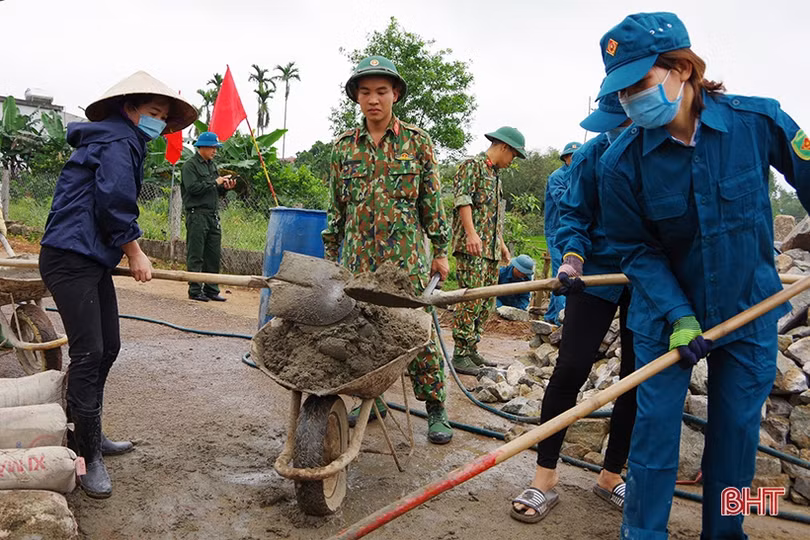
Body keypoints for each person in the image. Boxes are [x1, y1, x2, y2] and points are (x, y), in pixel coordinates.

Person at [597, 12, 810, 538]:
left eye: (639, 83)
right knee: (654, 435)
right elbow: (635, 251)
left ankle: (727, 532)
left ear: (683, 69)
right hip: (666, 319)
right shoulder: (619, 163)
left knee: (738, 437)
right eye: (621, 91)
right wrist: (680, 315)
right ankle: (643, 533)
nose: (630, 100)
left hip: (749, 307)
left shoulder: (758, 121)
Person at [39, 71, 197, 498]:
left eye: (163, 116)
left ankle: (88, 432)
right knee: (89, 353)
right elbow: (113, 203)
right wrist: (135, 252)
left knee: (108, 347)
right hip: (70, 258)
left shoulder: (122, 139)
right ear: (129, 109)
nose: (159, 122)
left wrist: (123, 250)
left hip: (88, 258)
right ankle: (86, 456)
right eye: (153, 112)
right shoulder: (117, 140)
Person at [510, 92, 637, 523]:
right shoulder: (591, 155)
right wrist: (572, 257)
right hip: (596, 274)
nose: (615, 133)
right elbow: (573, 217)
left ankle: (611, 475)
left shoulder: (665, 152)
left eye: (623, 124)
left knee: (635, 378)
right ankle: (545, 477)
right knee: (570, 368)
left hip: (648, 279)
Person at [322, 55, 453, 444]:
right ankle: (372, 397)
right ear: (356, 97)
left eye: (381, 91)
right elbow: (336, 209)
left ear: (395, 94)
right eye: (365, 92)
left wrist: (441, 251)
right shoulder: (343, 148)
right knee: (363, 330)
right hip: (359, 261)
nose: (373, 99)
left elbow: (431, 202)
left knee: (418, 333)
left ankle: (436, 408)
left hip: (405, 262)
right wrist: (330, 256)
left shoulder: (417, 142)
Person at [451, 127, 524, 375]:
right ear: (504, 147)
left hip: (490, 251)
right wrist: (471, 234)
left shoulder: (496, 176)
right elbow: (463, 200)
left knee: (485, 302)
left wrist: (501, 244)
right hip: (472, 249)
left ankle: (471, 349)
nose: (512, 161)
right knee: (470, 300)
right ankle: (460, 355)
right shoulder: (472, 166)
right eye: (513, 155)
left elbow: (492, 218)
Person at [181, 131, 236, 302]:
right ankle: (195, 290)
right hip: (197, 214)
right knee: (196, 254)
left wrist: (225, 187)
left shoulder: (212, 165)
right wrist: (215, 182)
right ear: (202, 147)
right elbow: (193, 189)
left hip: (212, 215)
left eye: (216, 148)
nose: (215, 151)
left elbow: (214, 190)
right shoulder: (189, 166)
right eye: (212, 147)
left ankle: (212, 289)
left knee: (213, 254)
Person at [543, 141, 580, 325]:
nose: (577, 159)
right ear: (566, 158)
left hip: (573, 230)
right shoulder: (557, 177)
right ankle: (562, 319)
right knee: (563, 271)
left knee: (565, 270)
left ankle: (551, 315)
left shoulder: (581, 175)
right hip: (557, 231)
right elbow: (564, 202)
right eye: (573, 156)